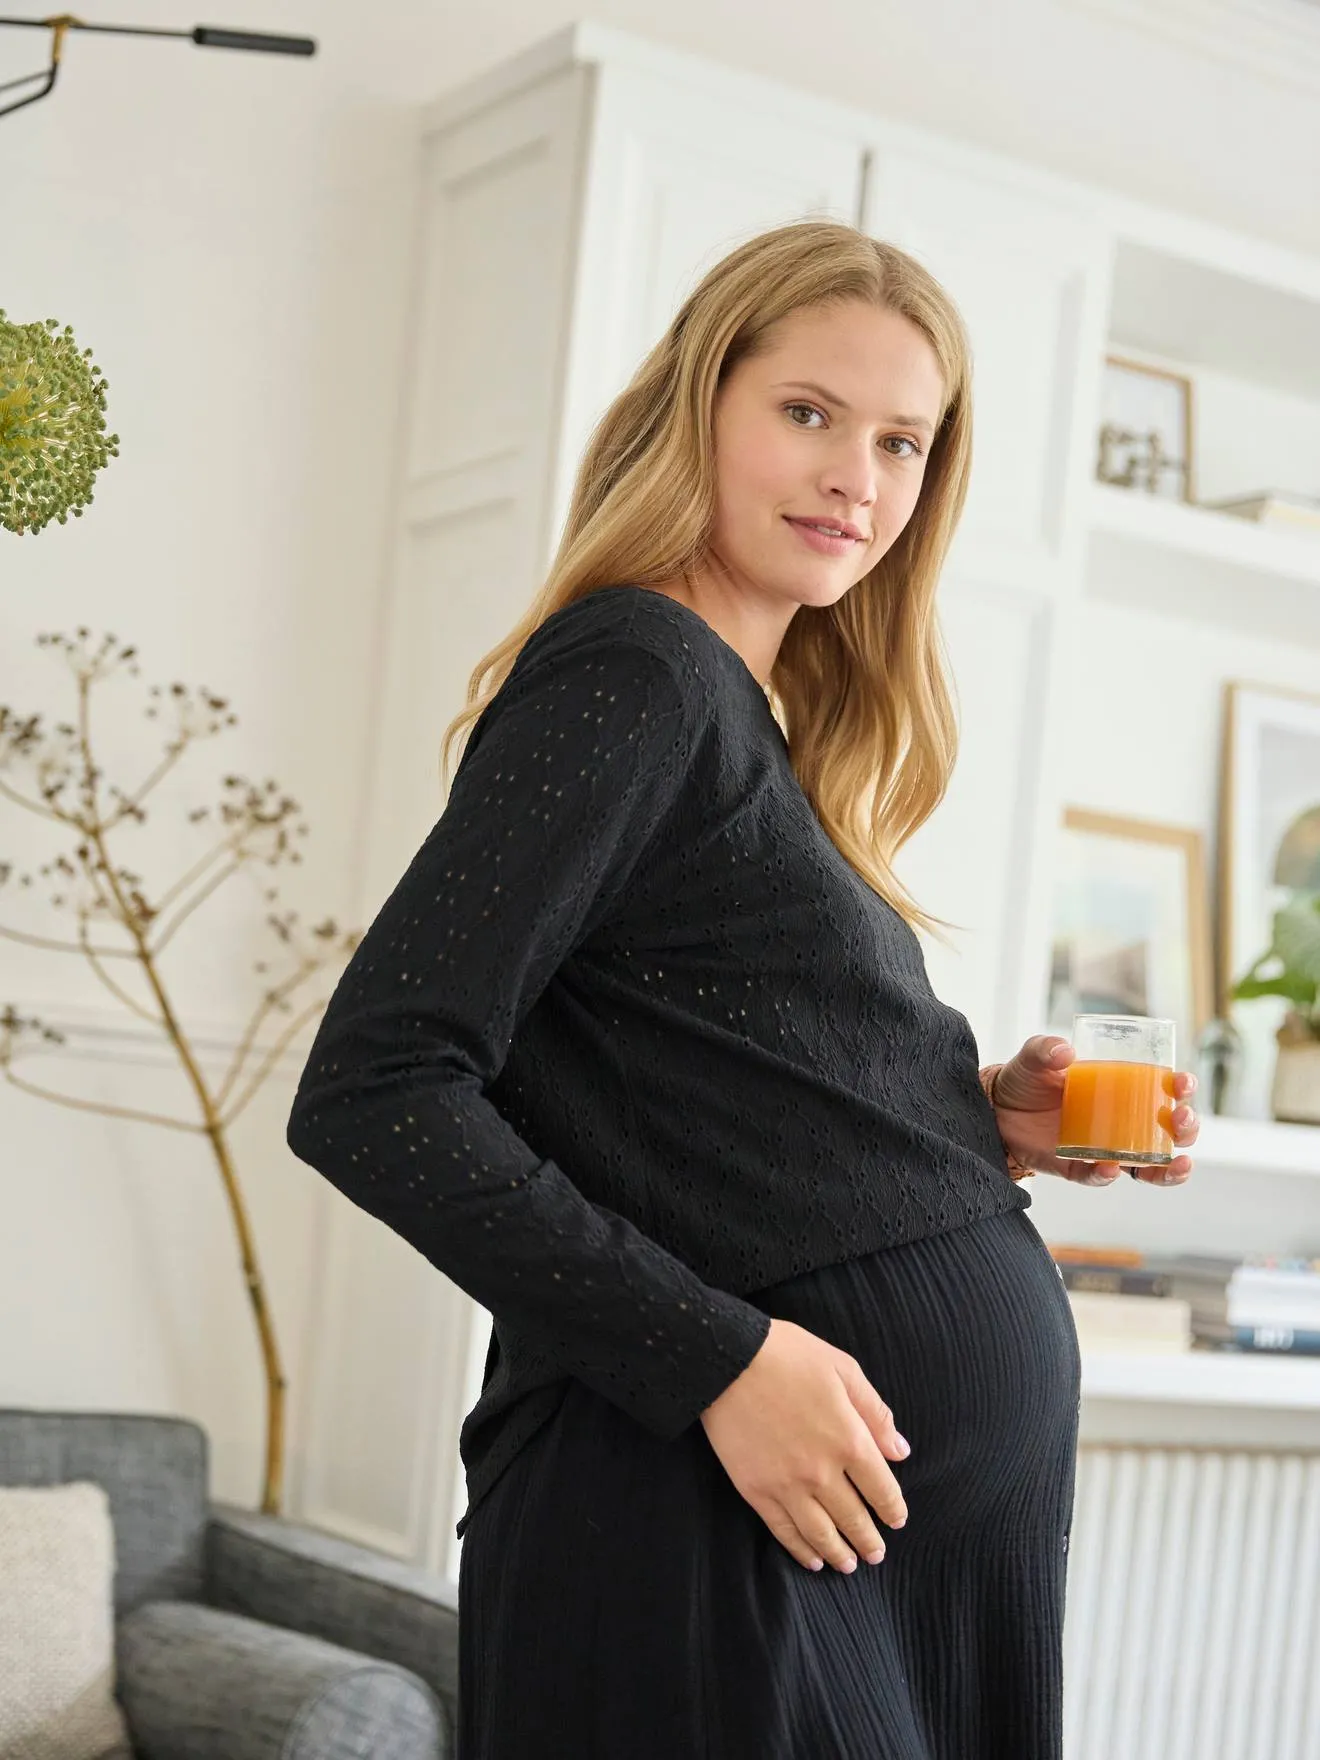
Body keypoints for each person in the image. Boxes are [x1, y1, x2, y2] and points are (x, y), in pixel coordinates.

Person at [285, 218, 1200, 1759]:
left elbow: (683, 1091)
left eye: (903, 441)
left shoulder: (733, 713)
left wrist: (972, 1124)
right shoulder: (636, 673)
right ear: (696, 405)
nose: (858, 475)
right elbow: (377, 1091)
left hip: (851, 1554)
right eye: (807, 413)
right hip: (704, 1526)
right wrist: (716, 1359)